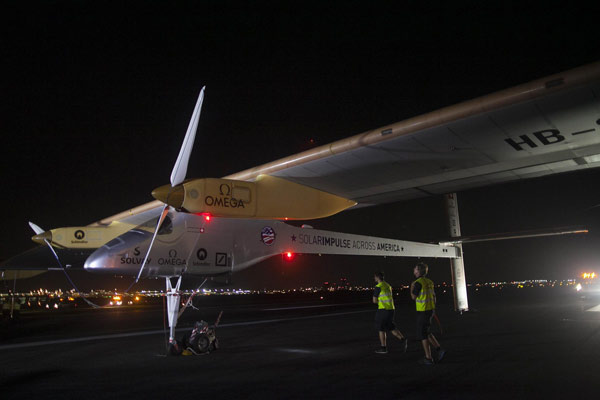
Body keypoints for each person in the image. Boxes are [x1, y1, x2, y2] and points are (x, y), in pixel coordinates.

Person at [410, 262, 446, 365]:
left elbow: (413, 297)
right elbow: (434, 296)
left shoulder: (418, 283)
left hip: (423, 311)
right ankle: (439, 350)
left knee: (423, 335)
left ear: (419, 271)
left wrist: (411, 287)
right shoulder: (429, 282)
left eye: (415, 269)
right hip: (430, 310)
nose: (414, 270)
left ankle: (428, 358)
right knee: (427, 332)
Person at [373, 271, 408, 354]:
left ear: (377, 277)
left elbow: (374, 301)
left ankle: (383, 348)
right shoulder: (387, 285)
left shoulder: (378, 286)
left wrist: (380, 303)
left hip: (383, 309)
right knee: (390, 326)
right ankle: (403, 339)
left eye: (374, 277)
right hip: (391, 309)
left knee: (381, 329)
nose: (374, 278)